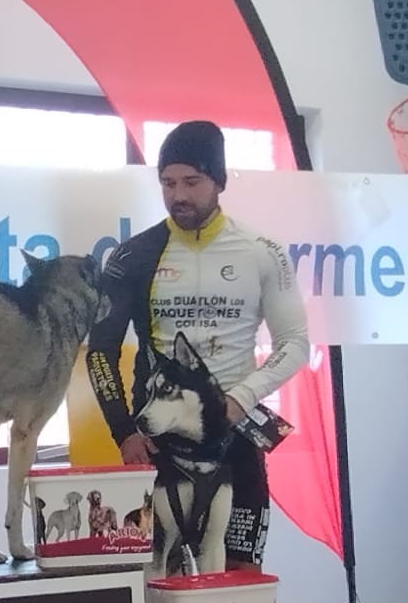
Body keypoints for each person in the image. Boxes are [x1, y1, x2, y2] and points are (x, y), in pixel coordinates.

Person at [87, 120, 310, 569]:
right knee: (159, 576)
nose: (178, 195)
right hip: (161, 441)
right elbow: (99, 352)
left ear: (219, 182)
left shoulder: (262, 251)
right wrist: (124, 431)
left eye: (192, 181)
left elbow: (296, 343)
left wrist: (241, 397)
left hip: (237, 439)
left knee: (241, 574)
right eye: (168, 183)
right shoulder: (133, 256)